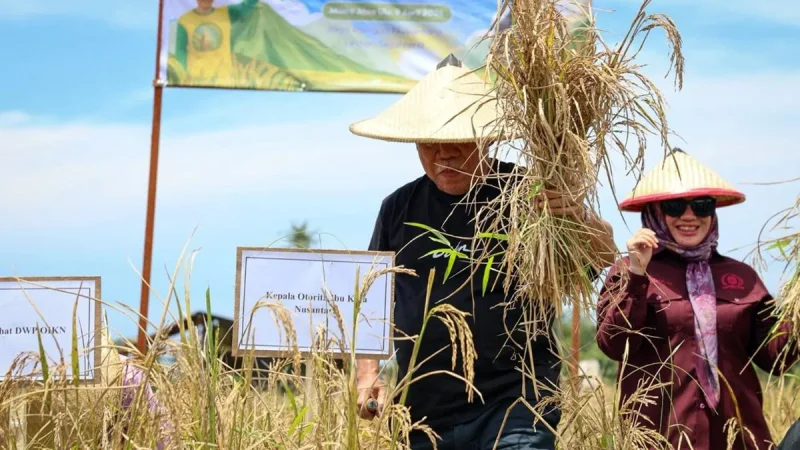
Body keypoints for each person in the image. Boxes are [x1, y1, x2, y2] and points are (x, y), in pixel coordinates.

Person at [349, 54, 616, 449]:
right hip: (422, 410)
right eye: (429, 143)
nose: (444, 155)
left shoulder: (528, 194)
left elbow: (601, 256)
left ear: (488, 137)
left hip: (517, 402)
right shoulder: (398, 208)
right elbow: (373, 298)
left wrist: (581, 216)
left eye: (458, 140)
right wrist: (366, 375)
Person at [596, 149, 800, 450]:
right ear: (655, 212)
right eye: (675, 206)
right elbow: (614, 345)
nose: (689, 216)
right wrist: (638, 273)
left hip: (736, 441)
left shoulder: (742, 277)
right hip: (660, 440)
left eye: (702, 206)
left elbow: (778, 358)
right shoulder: (630, 271)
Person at [171, 0, 259, 85]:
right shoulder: (185, 20)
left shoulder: (226, 13)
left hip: (223, 80)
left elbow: (246, 7)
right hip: (196, 81)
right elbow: (180, 50)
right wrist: (186, 72)